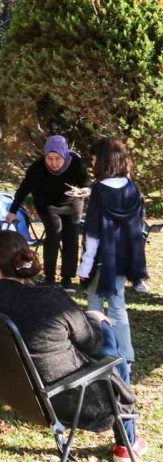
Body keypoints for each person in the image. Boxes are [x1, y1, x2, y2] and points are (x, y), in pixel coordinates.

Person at [0, 230, 146, 462]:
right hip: (63, 400)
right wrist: (94, 318)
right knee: (109, 341)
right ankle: (126, 442)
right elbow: (92, 343)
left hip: (10, 391)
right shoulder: (51, 300)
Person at [78, 138, 148, 366]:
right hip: (125, 258)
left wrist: (85, 266)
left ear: (104, 160)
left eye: (95, 157)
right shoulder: (132, 188)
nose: (92, 161)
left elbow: (93, 233)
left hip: (101, 260)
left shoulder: (99, 190)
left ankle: (98, 351)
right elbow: (139, 226)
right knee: (118, 305)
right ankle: (125, 355)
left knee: (95, 303)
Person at [7, 135, 91, 291]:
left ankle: (67, 278)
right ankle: (49, 277)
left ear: (65, 155)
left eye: (58, 159)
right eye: (49, 158)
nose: (53, 163)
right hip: (48, 204)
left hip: (73, 203)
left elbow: (87, 184)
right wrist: (12, 210)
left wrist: (83, 191)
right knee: (53, 234)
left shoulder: (76, 164)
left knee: (71, 237)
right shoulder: (37, 168)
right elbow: (23, 189)